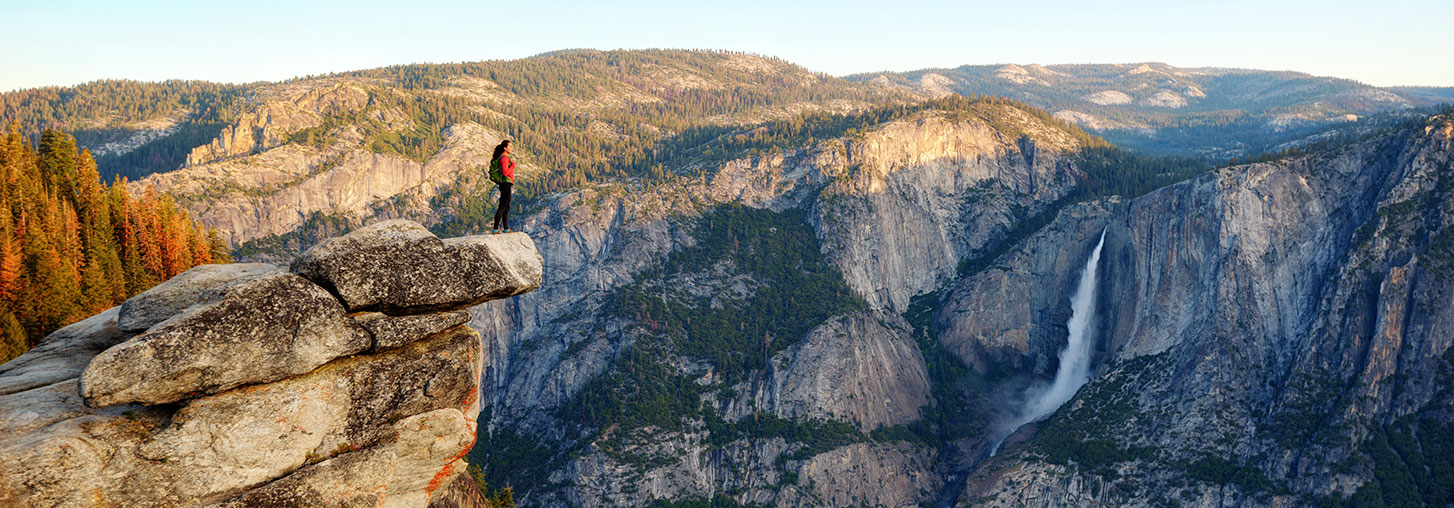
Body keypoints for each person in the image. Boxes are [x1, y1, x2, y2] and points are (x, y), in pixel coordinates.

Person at [488, 139, 516, 233]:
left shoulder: (502, 157)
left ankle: (506, 228)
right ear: (505, 148)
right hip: (505, 184)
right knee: (503, 207)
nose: (512, 148)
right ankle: (495, 229)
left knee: (506, 207)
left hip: (505, 184)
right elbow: (505, 173)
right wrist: (512, 166)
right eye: (510, 146)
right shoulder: (504, 158)